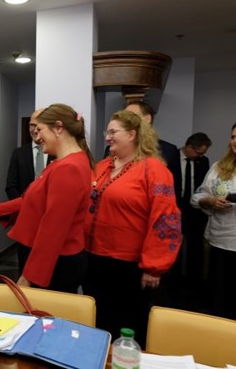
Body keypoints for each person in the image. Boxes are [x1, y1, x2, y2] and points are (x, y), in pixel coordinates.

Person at [84, 110, 181, 345]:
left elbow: (166, 220)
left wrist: (154, 266)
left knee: (126, 326)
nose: (107, 137)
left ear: (132, 134)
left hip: (129, 266)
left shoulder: (154, 170)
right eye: (106, 132)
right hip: (93, 259)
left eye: (112, 132)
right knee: (97, 322)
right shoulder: (103, 165)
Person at [0, 104, 95, 293]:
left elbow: (54, 228)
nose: (37, 136)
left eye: (40, 129)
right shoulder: (63, 162)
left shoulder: (68, 168)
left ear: (58, 128)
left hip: (58, 263)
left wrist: (28, 277)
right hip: (56, 259)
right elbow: (31, 199)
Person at [191, 123, 236, 319]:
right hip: (219, 241)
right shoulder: (219, 167)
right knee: (217, 300)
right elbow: (197, 196)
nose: (235, 141)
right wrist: (208, 200)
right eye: (233, 136)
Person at [5, 108, 54, 274]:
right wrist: (25, 208)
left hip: (50, 220)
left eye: (38, 126)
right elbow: (10, 185)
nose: (34, 130)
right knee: (25, 267)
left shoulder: (58, 154)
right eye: (31, 125)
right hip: (24, 219)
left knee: (47, 268)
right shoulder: (19, 153)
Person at [104, 100, 182, 201]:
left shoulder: (167, 151)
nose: (126, 120)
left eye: (131, 115)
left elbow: (174, 191)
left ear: (147, 119)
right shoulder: (111, 152)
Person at [173, 132, 211, 285]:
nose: (201, 156)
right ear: (189, 147)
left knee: (196, 248)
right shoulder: (172, 158)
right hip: (176, 208)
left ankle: (193, 280)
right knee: (175, 246)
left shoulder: (204, 161)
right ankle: (173, 279)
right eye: (199, 152)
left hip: (196, 210)